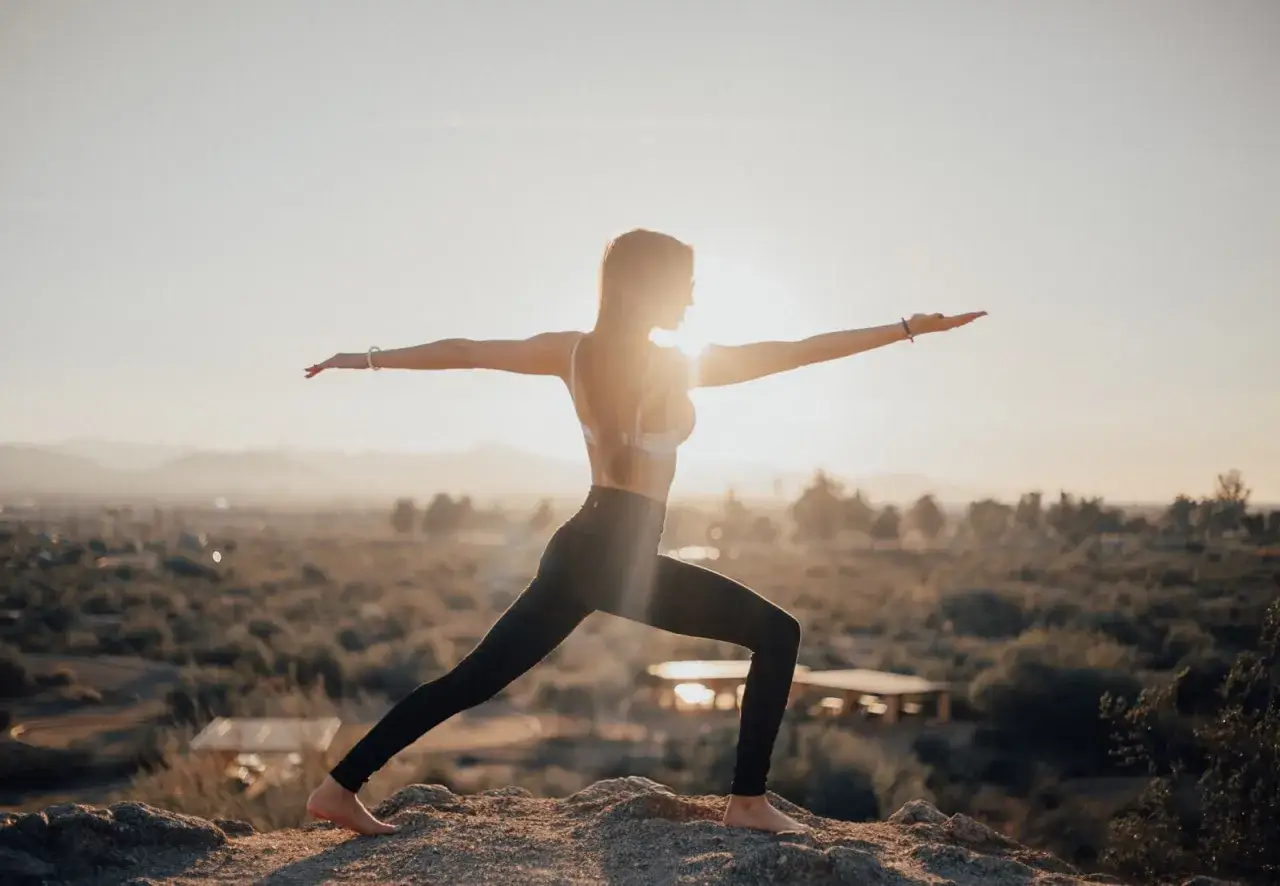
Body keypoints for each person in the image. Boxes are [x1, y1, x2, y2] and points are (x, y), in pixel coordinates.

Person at [302, 229, 986, 836]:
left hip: (584, 545)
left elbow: (468, 350)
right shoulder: (671, 364)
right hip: (614, 552)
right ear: (648, 287)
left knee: (472, 680)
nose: (690, 301)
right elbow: (795, 352)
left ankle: (339, 787)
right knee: (778, 633)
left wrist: (363, 359)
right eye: (684, 287)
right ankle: (747, 800)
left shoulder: (574, 352)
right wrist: (905, 328)